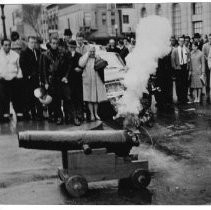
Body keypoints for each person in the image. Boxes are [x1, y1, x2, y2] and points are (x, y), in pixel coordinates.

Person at [39, 36, 66, 125]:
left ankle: (59, 116)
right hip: (50, 80)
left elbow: (62, 67)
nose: (54, 45)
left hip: (58, 80)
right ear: (50, 43)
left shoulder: (61, 53)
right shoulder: (45, 54)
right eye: (53, 43)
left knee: (57, 99)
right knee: (50, 99)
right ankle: (52, 115)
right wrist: (45, 82)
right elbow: (43, 69)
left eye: (56, 43)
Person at [79, 46, 107, 121]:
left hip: (96, 80)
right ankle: (91, 114)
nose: (92, 53)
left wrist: (98, 58)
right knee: (89, 98)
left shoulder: (97, 57)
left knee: (95, 98)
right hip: (88, 81)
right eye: (90, 51)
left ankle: (96, 114)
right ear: (88, 51)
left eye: (93, 51)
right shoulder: (84, 58)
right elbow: (81, 64)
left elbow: (103, 65)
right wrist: (87, 55)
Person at [19, 36, 43, 120]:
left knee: (38, 96)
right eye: (31, 42)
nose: (33, 44)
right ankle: (33, 114)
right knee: (31, 97)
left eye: (34, 42)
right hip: (29, 79)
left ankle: (40, 114)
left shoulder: (37, 51)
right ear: (28, 42)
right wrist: (28, 75)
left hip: (36, 78)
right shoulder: (24, 52)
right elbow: (22, 65)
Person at [0, 39, 22, 122]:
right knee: (3, 99)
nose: (7, 47)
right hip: (2, 80)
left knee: (16, 98)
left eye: (9, 45)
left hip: (14, 80)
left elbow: (19, 67)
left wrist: (18, 76)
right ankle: (5, 116)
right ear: (2, 45)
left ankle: (19, 115)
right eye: (5, 45)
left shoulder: (15, 55)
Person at [64, 40, 83, 125]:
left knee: (77, 98)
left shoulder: (79, 55)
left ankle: (78, 115)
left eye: (73, 47)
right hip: (68, 81)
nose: (72, 49)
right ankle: (72, 116)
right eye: (70, 47)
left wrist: (80, 69)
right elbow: (63, 67)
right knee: (69, 99)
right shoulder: (65, 55)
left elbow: (83, 66)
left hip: (77, 80)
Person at [171, 36, 190, 105]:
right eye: (180, 41)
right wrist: (175, 67)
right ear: (178, 42)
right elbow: (172, 60)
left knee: (185, 83)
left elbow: (189, 59)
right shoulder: (175, 50)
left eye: (183, 41)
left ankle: (184, 98)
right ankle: (179, 98)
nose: (182, 42)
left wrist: (188, 67)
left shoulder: (187, 49)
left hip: (185, 68)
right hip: (178, 68)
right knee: (179, 84)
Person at [202, 33, 211, 103]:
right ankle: (208, 95)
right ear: (208, 39)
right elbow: (203, 54)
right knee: (207, 80)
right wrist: (207, 58)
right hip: (207, 65)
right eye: (209, 38)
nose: (210, 40)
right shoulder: (205, 46)